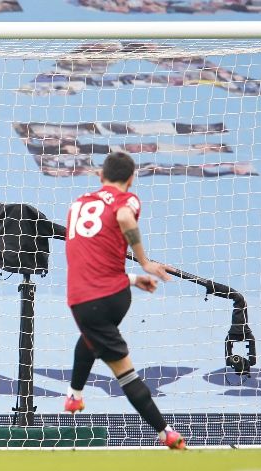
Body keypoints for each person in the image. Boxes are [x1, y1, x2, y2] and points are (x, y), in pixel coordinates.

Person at [64, 152, 186, 450]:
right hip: (116, 295)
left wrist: (143, 262)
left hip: (86, 299)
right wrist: (136, 273)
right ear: (131, 179)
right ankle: (74, 396)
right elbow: (117, 229)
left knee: (123, 371)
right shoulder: (127, 199)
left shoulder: (77, 205)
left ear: (100, 176)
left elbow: (96, 250)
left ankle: (165, 433)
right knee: (92, 338)